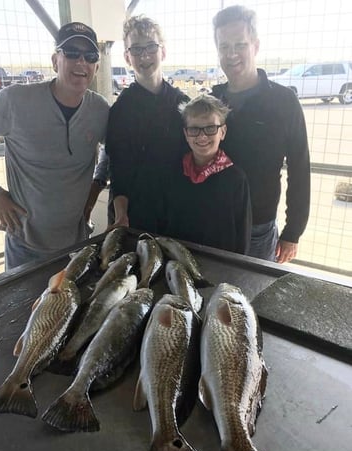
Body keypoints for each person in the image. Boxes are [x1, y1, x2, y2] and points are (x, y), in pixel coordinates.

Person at [0, 22, 109, 270]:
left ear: (96, 67)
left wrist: (96, 185)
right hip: (24, 247)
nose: (81, 62)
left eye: (89, 56)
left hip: (76, 245)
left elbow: (114, 150)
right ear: (55, 60)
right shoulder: (16, 101)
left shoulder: (100, 109)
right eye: (71, 53)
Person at [211, 5, 310, 263]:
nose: (231, 54)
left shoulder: (283, 101)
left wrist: (293, 232)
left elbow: (300, 168)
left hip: (259, 230)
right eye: (224, 47)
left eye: (240, 45)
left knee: (252, 299)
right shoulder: (212, 102)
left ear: (255, 45)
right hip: (214, 223)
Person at [105, 15, 190, 234]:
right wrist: (121, 214)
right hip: (137, 215)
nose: (144, 55)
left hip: (178, 212)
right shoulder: (120, 111)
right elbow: (118, 169)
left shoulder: (183, 104)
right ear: (127, 57)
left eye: (151, 47)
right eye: (136, 49)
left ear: (163, 51)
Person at [164, 94, 251, 254]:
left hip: (220, 264)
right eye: (194, 129)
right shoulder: (175, 172)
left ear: (223, 132)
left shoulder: (235, 179)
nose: (202, 136)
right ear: (186, 134)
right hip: (180, 260)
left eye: (211, 128)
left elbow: (242, 233)